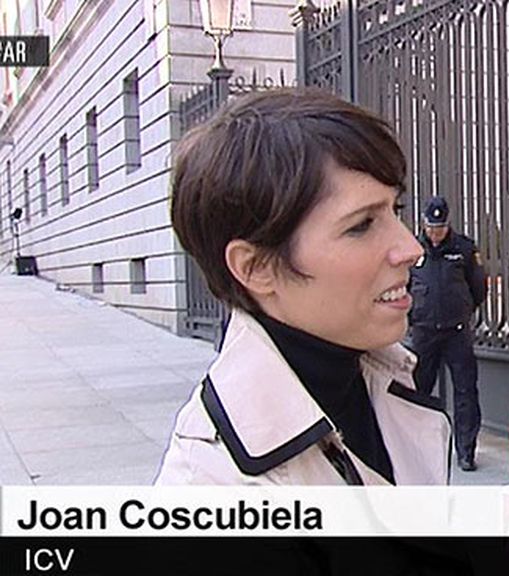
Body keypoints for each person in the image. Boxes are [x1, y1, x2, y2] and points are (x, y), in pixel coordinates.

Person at [156, 88, 451, 487]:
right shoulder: (209, 486)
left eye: (394, 210)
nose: (410, 248)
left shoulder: (383, 377)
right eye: (361, 225)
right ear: (256, 267)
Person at [408, 196, 487, 472]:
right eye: (431, 228)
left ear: (448, 224)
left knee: (465, 391)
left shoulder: (463, 249)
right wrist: (414, 316)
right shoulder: (412, 250)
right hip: (424, 331)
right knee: (418, 391)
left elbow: (478, 287)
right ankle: (416, 448)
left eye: (440, 228)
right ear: (424, 224)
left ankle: (466, 451)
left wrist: (462, 310)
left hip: (456, 332)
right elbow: (403, 286)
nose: (435, 233)